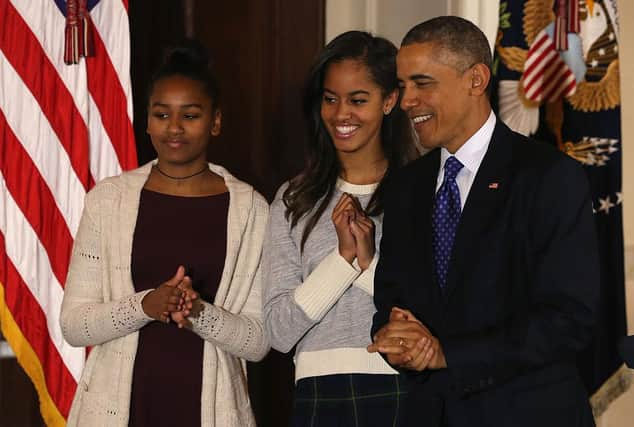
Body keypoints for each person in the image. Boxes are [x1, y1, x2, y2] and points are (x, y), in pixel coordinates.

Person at [367, 16, 599, 427]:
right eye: (403, 86)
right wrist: (396, 335)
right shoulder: (405, 187)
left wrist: (447, 354)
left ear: (476, 79)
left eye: (422, 84)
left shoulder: (549, 177)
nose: (405, 101)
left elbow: (568, 319)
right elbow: (391, 299)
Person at [60, 40, 269, 426]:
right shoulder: (108, 200)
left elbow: (257, 342)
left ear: (216, 121)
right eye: (161, 114)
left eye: (190, 115)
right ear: (147, 120)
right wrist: (145, 305)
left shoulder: (250, 209)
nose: (174, 128)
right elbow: (75, 325)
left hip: (211, 412)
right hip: (120, 411)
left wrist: (197, 312)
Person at [263, 31, 417, 426]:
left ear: (389, 100)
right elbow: (279, 332)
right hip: (317, 392)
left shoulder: (422, 189)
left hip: (406, 389)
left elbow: (431, 310)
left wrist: (367, 263)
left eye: (358, 100)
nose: (340, 114)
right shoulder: (293, 198)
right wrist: (345, 260)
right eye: (330, 99)